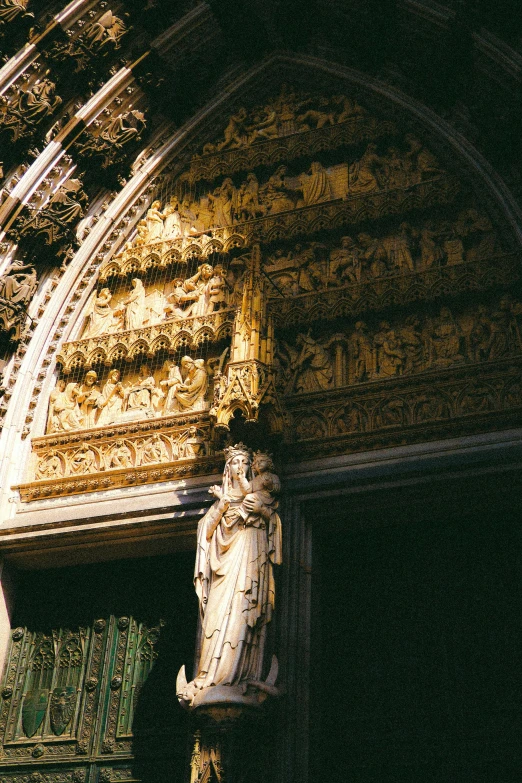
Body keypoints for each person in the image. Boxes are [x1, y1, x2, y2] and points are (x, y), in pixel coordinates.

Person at [178, 444, 282, 706]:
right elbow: (206, 529)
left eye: (244, 463)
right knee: (215, 616)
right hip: (222, 570)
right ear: (227, 469)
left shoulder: (259, 495)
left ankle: (242, 676)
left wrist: (261, 513)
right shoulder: (223, 500)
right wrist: (223, 504)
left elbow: (273, 524)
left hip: (247, 564)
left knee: (242, 612)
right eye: (235, 463)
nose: (240, 468)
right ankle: (210, 676)